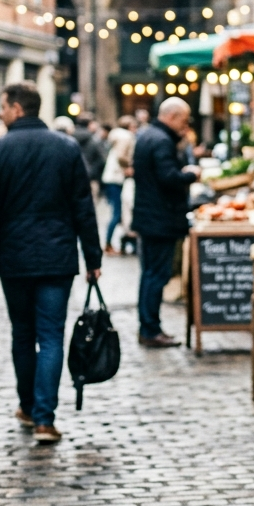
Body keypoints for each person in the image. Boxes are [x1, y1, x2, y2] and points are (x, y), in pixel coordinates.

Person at [0, 82, 102, 443]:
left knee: (23, 335)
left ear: (16, 108)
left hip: (14, 257)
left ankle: (28, 406)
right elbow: (82, 207)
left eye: (2, 106)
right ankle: (44, 418)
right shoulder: (66, 148)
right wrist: (93, 256)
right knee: (51, 336)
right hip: (57, 257)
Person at [130, 97, 200, 348]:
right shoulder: (161, 141)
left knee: (150, 274)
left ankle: (149, 327)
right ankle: (150, 329)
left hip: (151, 217)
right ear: (171, 116)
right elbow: (168, 177)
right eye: (184, 118)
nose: (186, 124)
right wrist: (191, 174)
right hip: (160, 219)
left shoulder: (149, 136)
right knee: (156, 275)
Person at [100, 115, 136, 254]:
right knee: (118, 212)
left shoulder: (118, 136)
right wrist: (128, 167)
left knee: (118, 211)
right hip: (116, 177)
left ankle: (112, 242)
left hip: (111, 177)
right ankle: (108, 243)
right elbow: (122, 156)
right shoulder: (126, 137)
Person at [73, 113, 108, 197]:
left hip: (73, 178)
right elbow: (102, 159)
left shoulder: (69, 138)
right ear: (90, 124)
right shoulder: (95, 140)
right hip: (91, 178)